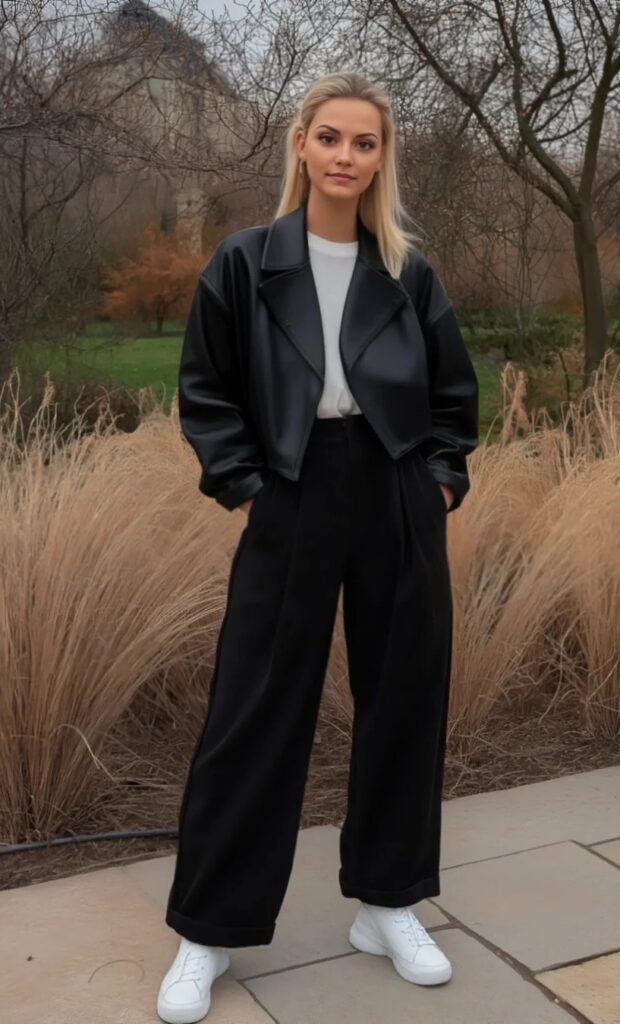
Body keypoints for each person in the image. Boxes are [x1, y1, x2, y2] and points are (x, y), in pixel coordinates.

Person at [157, 70, 479, 1024]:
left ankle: (387, 904)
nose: (346, 157)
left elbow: (453, 399)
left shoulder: (406, 271)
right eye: (330, 138)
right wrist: (246, 488)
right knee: (253, 710)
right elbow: (206, 390)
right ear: (300, 144)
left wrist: (441, 480)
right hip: (289, 495)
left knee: (403, 701)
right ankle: (207, 930)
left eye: (365, 143)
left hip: (394, 492)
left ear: (382, 158)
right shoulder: (246, 263)